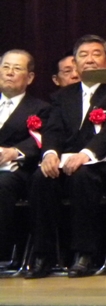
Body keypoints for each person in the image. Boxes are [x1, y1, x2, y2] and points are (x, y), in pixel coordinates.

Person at [26, 35, 106, 279]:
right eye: (83, 55)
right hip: (66, 160)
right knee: (41, 178)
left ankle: (84, 254)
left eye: (96, 54)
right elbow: (53, 130)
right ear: (75, 63)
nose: (90, 60)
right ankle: (43, 255)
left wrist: (86, 154)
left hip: (102, 161)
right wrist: (50, 154)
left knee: (83, 177)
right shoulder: (62, 96)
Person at [0, 50, 50, 267]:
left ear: (29, 77)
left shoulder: (40, 108)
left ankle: (3, 253)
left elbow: (41, 141)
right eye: (5, 67)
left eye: (17, 68)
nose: (9, 73)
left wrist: (15, 152)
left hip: (15, 170)